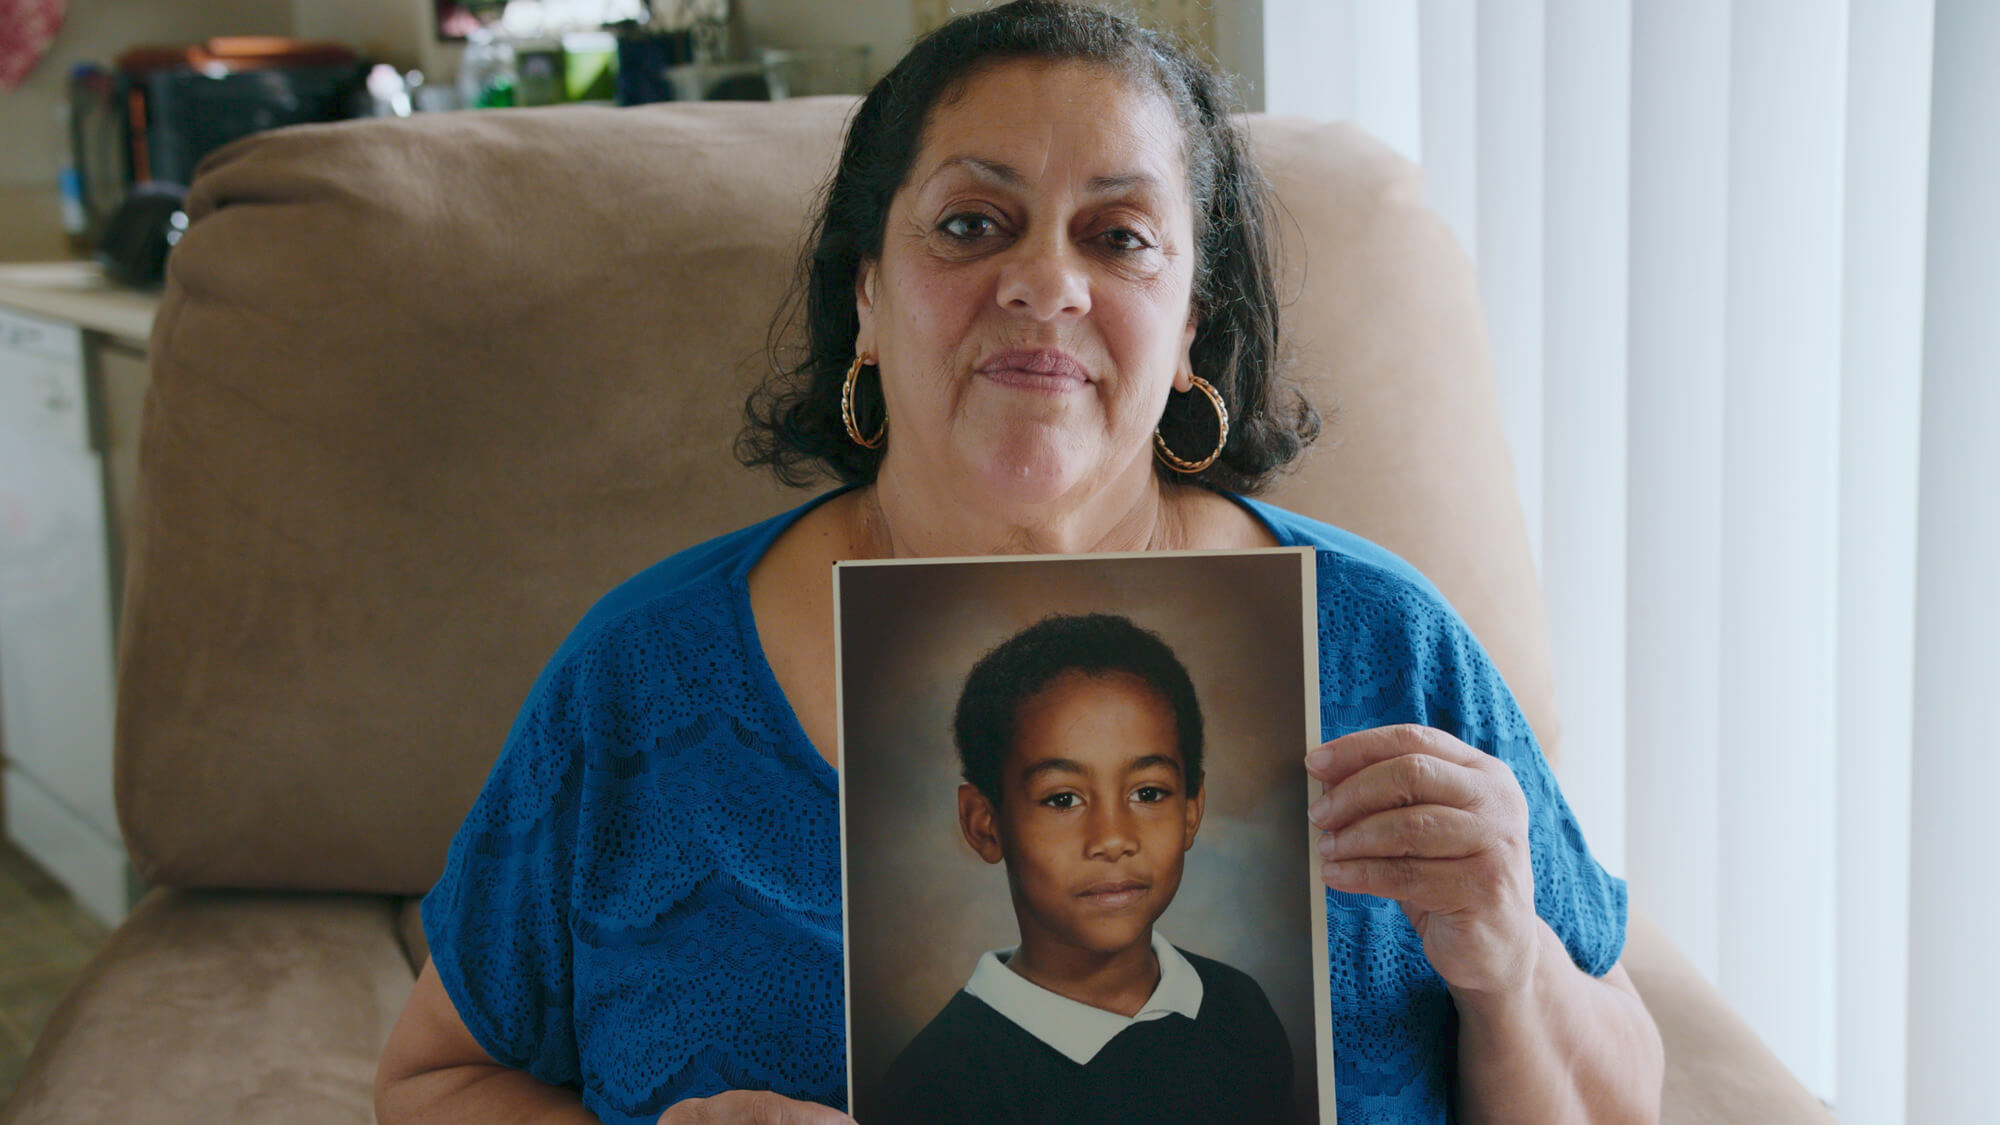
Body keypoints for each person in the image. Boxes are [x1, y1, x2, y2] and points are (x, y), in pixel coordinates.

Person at [374, 3, 1665, 1124]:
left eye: (1119, 237)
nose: (1045, 283)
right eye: (971, 223)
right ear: (866, 293)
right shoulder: (643, 679)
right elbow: (429, 1082)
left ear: (1191, 322)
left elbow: (1623, 1096)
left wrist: (1512, 968)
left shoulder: (1385, 640)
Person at [867, 613, 1294, 1124]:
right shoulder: (934, 1089)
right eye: (1063, 799)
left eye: (1148, 793)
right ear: (985, 824)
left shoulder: (1239, 1010)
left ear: (1191, 811)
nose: (1112, 839)